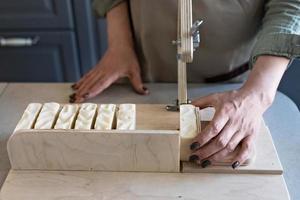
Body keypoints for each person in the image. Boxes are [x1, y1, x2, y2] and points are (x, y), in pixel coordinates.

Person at [70, 0, 300, 169]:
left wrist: (258, 94)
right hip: (146, 65)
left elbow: (290, 4)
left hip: (231, 78)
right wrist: (120, 44)